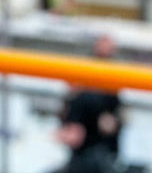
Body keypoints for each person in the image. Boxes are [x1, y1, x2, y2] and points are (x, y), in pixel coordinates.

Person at [52, 35, 124, 173]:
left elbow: (114, 119)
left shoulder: (112, 81)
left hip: (99, 150)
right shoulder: (84, 84)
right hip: (85, 151)